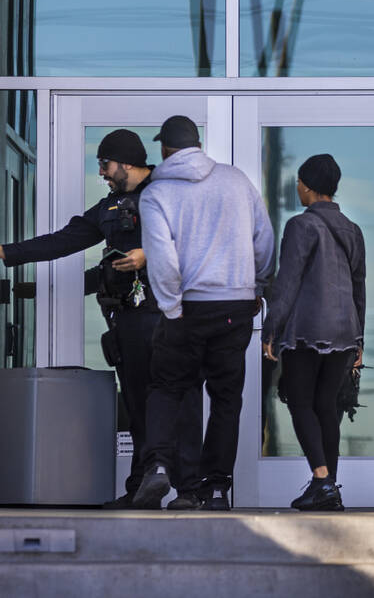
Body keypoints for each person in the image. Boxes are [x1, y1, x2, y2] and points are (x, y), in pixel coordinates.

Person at [0, 129, 202, 509]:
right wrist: (5, 251)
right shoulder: (111, 207)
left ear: (126, 161)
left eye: (105, 164)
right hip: (129, 318)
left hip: (172, 316)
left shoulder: (170, 192)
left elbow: (197, 242)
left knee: (183, 402)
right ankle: (139, 491)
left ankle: (191, 491)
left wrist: (149, 255)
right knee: (138, 405)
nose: (102, 173)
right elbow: (65, 239)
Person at [133, 115, 275, 511]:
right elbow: (263, 240)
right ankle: (214, 488)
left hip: (189, 305)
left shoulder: (156, 194)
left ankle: (161, 466)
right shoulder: (236, 180)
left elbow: (161, 258)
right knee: (226, 398)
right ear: (198, 144)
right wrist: (257, 286)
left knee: (167, 387)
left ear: (165, 149)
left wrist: (171, 306)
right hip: (235, 304)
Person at [262, 154, 366, 512]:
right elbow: (358, 288)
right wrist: (359, 340)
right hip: (344, 331)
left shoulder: (300, 226)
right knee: (327, 404)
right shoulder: (353, 229)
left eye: (298, 184)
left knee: (301, 401)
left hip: (308, 330)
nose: (297, 190)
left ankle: (321, 479)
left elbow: (287, 283)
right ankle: (329, 488)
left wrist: (271, 329)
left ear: (306, 186)